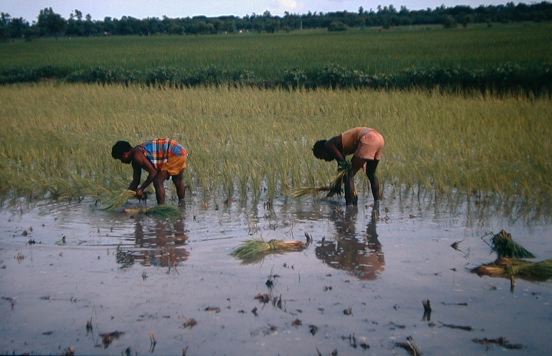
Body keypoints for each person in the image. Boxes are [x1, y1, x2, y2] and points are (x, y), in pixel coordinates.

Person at [312, 127, 384, 206]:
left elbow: (344, 166)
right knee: (371, 173)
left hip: (369, 138)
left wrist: (336, 186)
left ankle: (349, 206)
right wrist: (337, 186)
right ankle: (377, 203)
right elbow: (341, 168)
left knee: (349, 174)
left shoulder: (329, 145)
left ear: (323, 150)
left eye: (322, 157)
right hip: (379, 139)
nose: (325, 160)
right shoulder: (337, 146)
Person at [111, 138, 188, 205]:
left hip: (175, 153)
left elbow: (153, 172)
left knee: (157, 181)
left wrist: (141, 189)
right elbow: (135, 181)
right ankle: (182, 204)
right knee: (177, 180)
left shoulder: (137, 156)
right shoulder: (136, 157)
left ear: (125, 155)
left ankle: (161, 208)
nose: (122, 162)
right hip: (180, 151)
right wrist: (126, 196)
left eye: (120, 159)